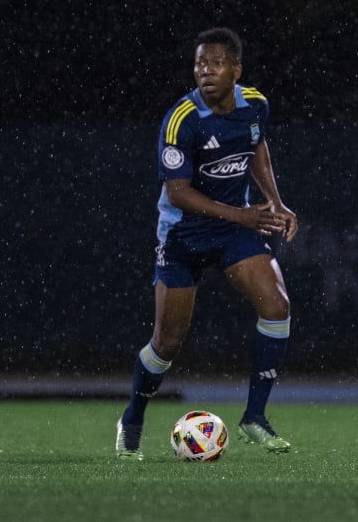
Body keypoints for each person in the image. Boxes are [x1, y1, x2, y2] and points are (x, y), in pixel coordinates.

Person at [116, 27, 298, 460]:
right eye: (200, 64)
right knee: (167, 344)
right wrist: (244, 214)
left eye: (215, 64)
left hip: (234, 230)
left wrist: (275, 201)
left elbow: (256, 147)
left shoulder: (255, 104)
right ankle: (133, 417)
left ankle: (255, 416)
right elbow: (178, 193)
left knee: (277, 306)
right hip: (183, 235)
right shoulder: (183, 119)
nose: (205, 72)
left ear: (236, 69)